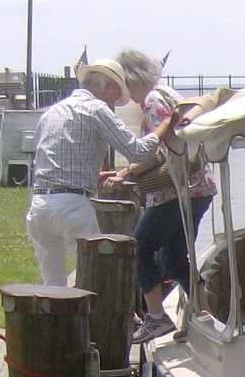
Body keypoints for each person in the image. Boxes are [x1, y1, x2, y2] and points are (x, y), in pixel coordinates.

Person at [24, 56, 179, 286]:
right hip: (72, 206)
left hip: (39, 206)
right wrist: (167, 124)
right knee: (96, 279)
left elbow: (49, 158)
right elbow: (137, 151)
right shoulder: (96, 109)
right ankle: (103, 322)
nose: (114, 105)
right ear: (107, 86)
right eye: (116, 97)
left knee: (53, 285)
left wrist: (90, 176)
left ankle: (58, 321)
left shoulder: (51, 112)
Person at [106, 49, 217, 343]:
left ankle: (156, 318)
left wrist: (128, 171)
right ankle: (205, 316)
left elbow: (159, 149)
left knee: (138, 247)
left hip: (175, 191)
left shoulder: (153, 101)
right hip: (199, 188)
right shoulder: (168, 92)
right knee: (173, 256)